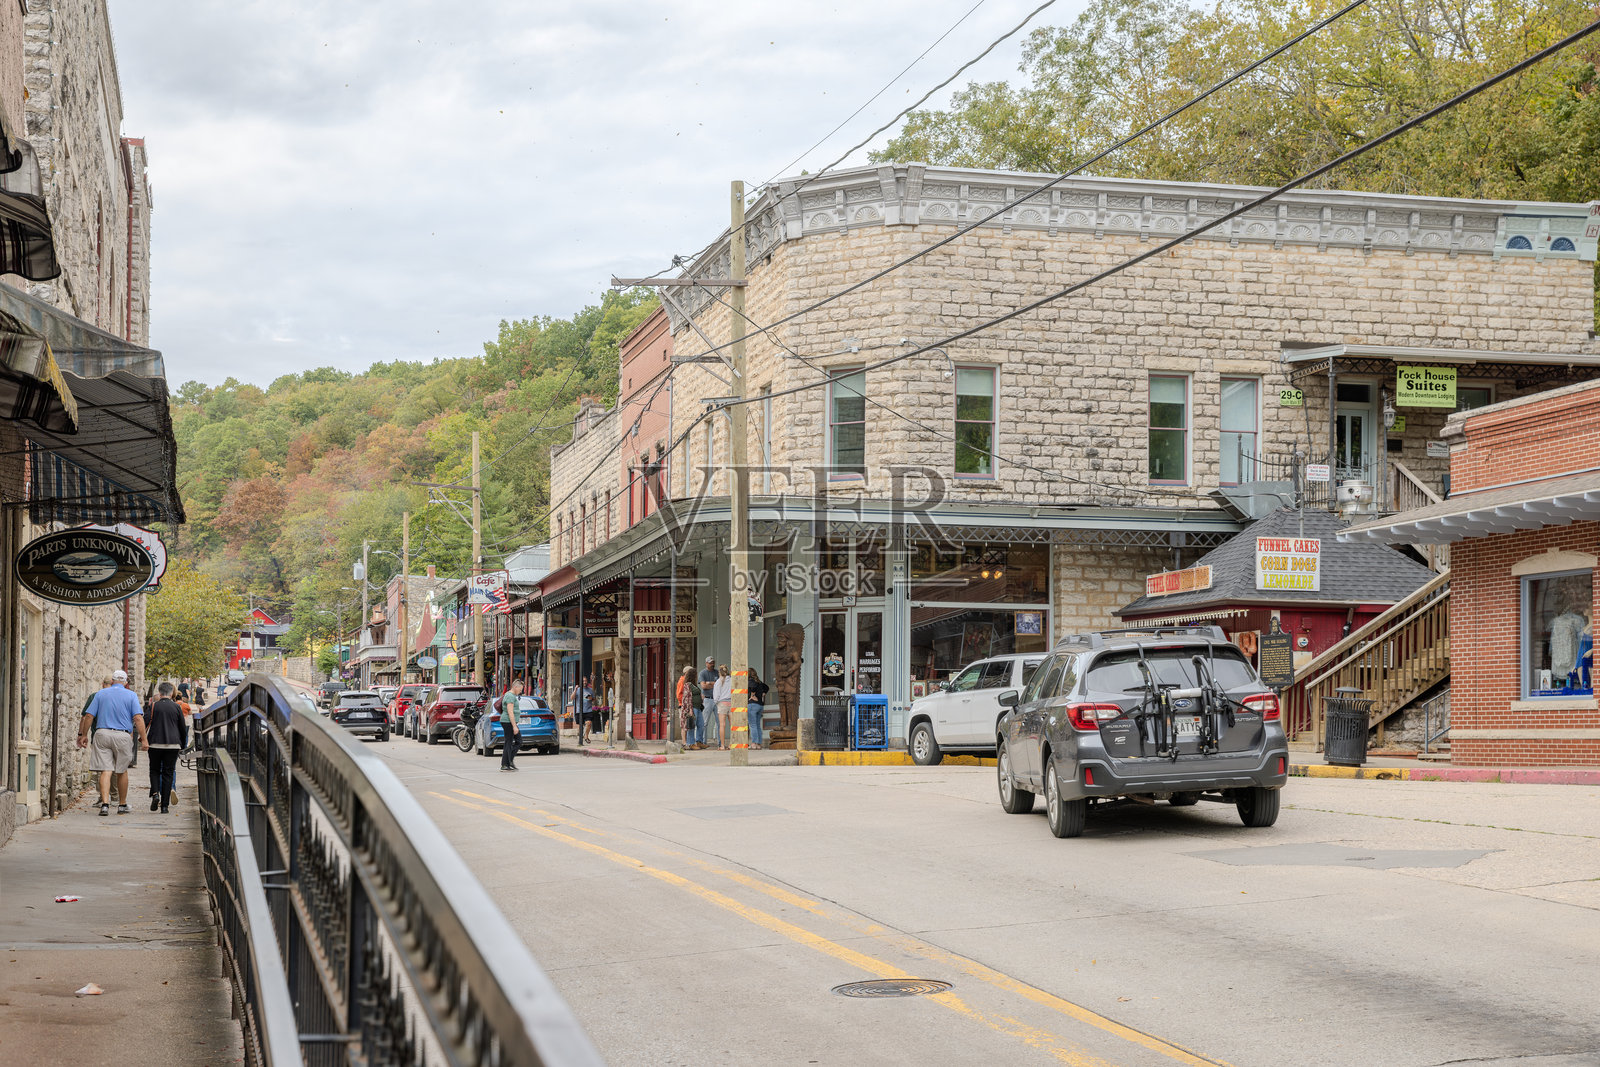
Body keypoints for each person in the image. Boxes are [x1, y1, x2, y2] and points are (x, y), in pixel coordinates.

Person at [76, 670, 147, 817]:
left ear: (113, 680)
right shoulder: (131, 695)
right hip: (122, 735)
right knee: (121, 771)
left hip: (102, 734)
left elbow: (89, 716)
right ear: (126, 682)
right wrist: (144, 739)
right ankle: (121, 805)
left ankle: (105, 805)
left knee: (105, 770)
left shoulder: (101, 694)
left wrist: (83, 735)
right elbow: (138, 718)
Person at [146, 683, 189, 813]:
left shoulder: (153, 706)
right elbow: (182, 728)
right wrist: (182, 745)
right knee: (168, 772)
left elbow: (145, 721)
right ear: (171, 694)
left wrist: (143, 739)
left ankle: (155, 794)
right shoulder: (176, 707)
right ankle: (165, 806)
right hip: (173, 744)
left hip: (155, 743)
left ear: (159, 693)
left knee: (154, 770)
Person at [498, 677, 524, 772]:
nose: (520, 691)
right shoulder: (510, 696)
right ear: (515, 687)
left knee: (519, 741)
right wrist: (514, 726)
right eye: (520, 689)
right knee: (508, 743)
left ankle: (510, 760)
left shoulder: (512, 696)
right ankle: (505, 765)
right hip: (508, 722)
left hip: (510, 722)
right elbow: (510, 712)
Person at [699, 656, 719, 748]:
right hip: (707, 699)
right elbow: (703, 686)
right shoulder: (702, 673)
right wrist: (714, 684)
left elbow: (720, 685)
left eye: (713, 662)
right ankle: (703, 742)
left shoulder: (717, 672)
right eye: (710, 663)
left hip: (717, 699)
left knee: (719, 722)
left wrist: (709, 683)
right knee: (705, 722)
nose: (712, 664)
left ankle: (720, 743)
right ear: (706, 663)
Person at [748, 668, 769, 750]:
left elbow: (752, 687)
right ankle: (759, 744)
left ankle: (753, 743)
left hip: (752, 705)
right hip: (760, 705)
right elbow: (766, 687)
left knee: (752, 725)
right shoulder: (759, 682)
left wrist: (752, 695)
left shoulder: (750, 681)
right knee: (757, 725)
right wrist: (763, 694)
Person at [713, 665, 733, 751]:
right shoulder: (732, 680)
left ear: (719, 672)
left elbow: (716, 695)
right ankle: (732, 744)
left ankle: (722, 745)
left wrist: (716, 702)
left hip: (722, 703)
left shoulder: (718, 682)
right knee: (732, 725)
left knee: (722, 725)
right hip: (731, 703)